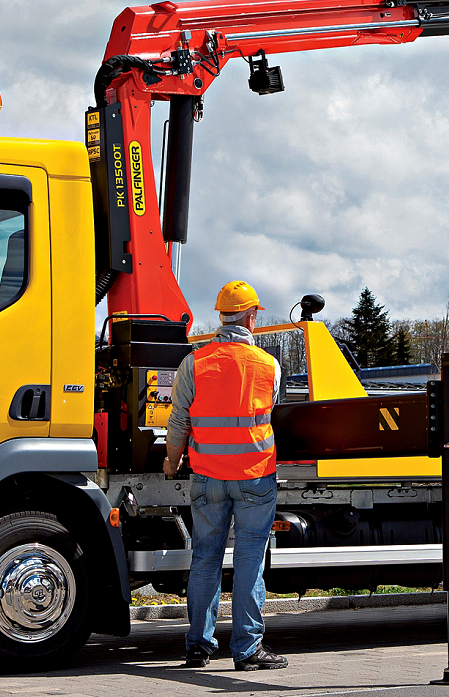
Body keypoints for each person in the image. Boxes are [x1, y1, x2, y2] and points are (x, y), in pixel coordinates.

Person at [164, 280, 287, 671]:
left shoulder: (194, 363)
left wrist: (171, 462)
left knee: (205, 558)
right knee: (250, 558)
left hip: (207, 477)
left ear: (221, 316)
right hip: (254, 477)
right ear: (251, 316)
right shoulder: (269, 365)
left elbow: (179, 421)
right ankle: (248, 650)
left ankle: (198, 646)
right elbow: (272, 410)